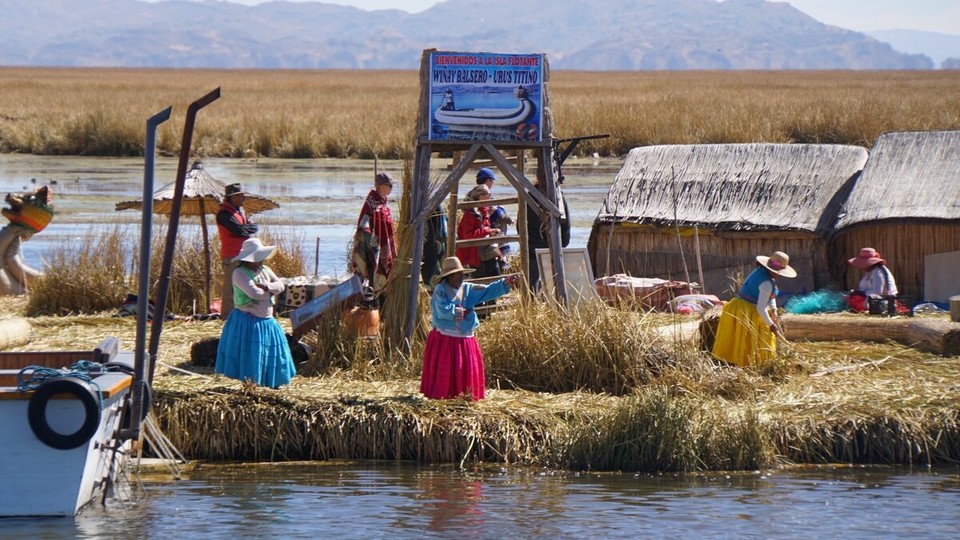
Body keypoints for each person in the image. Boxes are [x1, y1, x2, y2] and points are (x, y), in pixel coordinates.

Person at [420, 256, 519, 400]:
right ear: (450, 276)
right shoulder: (440, 290)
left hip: (465, 337)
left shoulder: (467, 289)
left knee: (464, 369)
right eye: (459, 274)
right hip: (445, 338)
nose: (462, 277)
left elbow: (487, 291)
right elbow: (441, 309)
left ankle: (464, 397)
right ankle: (443, 396)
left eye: (462, 274)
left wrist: (506, 283)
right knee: (447, 371)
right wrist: (460, 312)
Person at [215, 237, 296, 388]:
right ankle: (251, 384)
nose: (262, 259)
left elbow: (280, 286)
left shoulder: (265, 270)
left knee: (271, 352)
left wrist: (266, 287)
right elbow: (254, 294)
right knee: (251, 353)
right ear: (249, 258)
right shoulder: (239, 273)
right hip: (248, 321)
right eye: (258, 256)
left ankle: (271, 382)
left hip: (267, 320)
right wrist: (270, 292)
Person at [711, 251, 796, 368]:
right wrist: (771, 325)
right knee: (751, 339)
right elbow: (761, 308)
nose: (780, 275)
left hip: (735, 306)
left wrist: (774, 309)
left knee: (736, 338)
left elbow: (769, 296)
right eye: (779, 272)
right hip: (747, 312)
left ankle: (732, 363)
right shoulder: (767, 282)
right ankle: (748, 364)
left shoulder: (761, 272)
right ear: (772, 270)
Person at [351, 172, 397, 297]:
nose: (391, 188)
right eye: (390, 185)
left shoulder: (383, 200)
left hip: (381, 242)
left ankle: (377, 295)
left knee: (381, 270)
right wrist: (370, 237)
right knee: (372, 267)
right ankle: (368, 294)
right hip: (371, 243)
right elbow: (364, 223)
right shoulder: (371, 201)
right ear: (382, 186)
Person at [216, 182, 259, 318]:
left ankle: (242, 314)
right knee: (230, 287)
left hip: (243, 254)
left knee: (243, 285)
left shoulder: (239, 212)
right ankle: (226, 317)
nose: (243, 198)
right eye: (240, 196)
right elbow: (239, 231)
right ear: (233, 198)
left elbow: (252, 228)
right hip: (231, 256)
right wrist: (249, 227)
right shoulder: (224, 214)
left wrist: (249, 227)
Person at [525, 179, 571, 291]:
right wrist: (563, 243)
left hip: (534, 244)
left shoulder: (530, 195)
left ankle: (532, 301)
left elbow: (521, 223)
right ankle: (553, 298)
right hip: (551, 243)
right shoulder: (557, 196)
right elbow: (566, 224)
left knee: (533, 278)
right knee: (553, 276)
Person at [455, 184, 502, 278]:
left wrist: (490, 232)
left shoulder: (484, 211)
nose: (490, 197)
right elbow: (468, 235)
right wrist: (488, 231)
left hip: (485, 250)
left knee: (495, 275)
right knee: (481, 280)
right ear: (481, 197)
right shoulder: (470, 214)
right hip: (474, 253)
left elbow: (484, 228)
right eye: (489, 195)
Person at [846, 247, 901, 313]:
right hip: (870, 298)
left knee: (860, 301)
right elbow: (864, 288)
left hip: (883, 301)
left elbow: (878, 292)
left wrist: (860, 293)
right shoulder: (870, 272)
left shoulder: (878, 272)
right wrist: (856, 292)